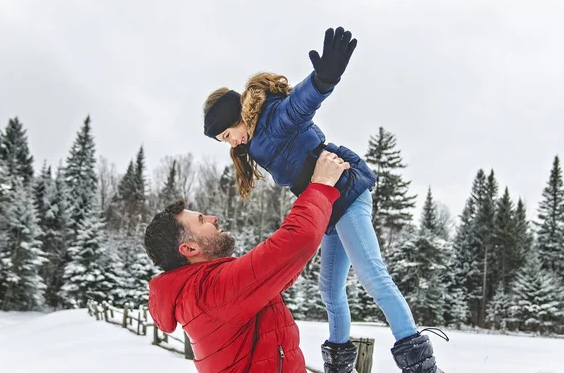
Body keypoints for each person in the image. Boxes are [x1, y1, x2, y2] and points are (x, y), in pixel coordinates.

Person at [202, 27, 447, 373]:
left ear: (237, 118)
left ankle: (420, 365)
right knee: (330, 290)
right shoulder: (256, 139)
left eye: (228, 135)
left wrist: (322, 79)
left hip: (346, 191)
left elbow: (299, 106)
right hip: (329, 205)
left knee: (371, 274)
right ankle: (339, 366)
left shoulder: (273, 119)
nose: (232, 144)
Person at [145, 150, 350, 372]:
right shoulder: (210, 291)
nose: (213, 218)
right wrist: (321, 185)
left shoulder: (202, 291)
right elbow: (296, 241)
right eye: (202, 220)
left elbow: (279, 270)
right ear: (189, 248)